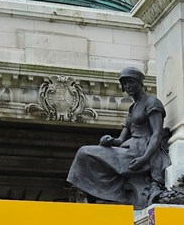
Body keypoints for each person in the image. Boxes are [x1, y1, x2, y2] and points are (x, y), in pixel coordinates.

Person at [66, 67, 171, 208]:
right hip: (129, 147)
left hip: (141, 151)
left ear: (140, 83)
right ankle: (85, 192)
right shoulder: (132, 108)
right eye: (125, 83)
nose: (127, 86)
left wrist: (144, 158)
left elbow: (157, 134)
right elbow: (121, 140)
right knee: (84, 152)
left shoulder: (152, 103)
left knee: (84, 152)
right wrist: (109, 140)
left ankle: (88, 194)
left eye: (131, 82)